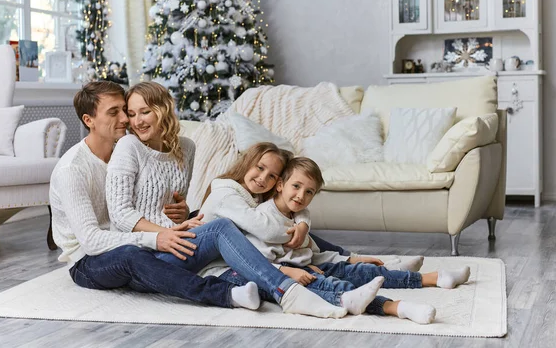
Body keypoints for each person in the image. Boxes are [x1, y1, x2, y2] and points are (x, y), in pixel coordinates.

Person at [104, 81, 347, 318]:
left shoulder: (185, 147)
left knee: (244, 221)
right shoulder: (128, 145)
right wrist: (163, 234)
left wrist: (182, 212)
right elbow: (121, 214)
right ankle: (286, 289)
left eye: (145, 112)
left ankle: (343, 261)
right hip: (145, 250)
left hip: (177, 237)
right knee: (223, 227)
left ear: (163, 110)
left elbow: (170, 203)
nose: (136, 121)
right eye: (132, 113)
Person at [50, 80, 267, 311]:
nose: (126, 119)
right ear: (88, 120)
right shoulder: (72, 169)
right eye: (114, 112)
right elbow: (92, 241)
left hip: (130, 240)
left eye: (125, 111)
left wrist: (182, 214)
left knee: (210, 218)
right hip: (89, 261)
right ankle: (224, 293)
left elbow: (148, 205)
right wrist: (157, 238)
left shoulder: (126, 149)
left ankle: (279, 261)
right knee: (132, 256)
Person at [201, 151, 472, 324]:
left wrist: (340, 255)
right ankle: (396, 307)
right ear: (281, 186)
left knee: (350, 269)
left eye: (309, 192)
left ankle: (432, 278)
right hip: (268, 272)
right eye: (296, 187)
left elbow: (312, 248)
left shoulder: (295, 214)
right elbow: (254, 259)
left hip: (302, 264)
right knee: (331, 283)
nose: (300, 196)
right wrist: (289, 269)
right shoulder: (258, 216)